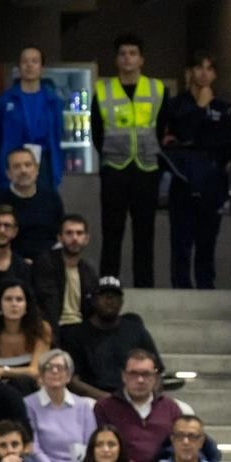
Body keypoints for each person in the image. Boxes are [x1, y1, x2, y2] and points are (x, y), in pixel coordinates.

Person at [94, 33, 168, 288]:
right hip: (115, 169)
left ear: (141, 59)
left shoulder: (157, 89)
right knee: (112, 232)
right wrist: (110, 153)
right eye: (123, 54)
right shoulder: (103, 90)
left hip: (146, 168)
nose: (128, 58)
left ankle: (145, 287)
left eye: (133, 53)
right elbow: (96, 131)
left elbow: (162, 129)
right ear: (116, 59)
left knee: (144, 233)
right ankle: (108, 287)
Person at [166, 51, 229, 289]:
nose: (204, 73)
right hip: (183, 178)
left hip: (212, 181)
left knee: (207, 239)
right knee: (181, 240)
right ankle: (180, 286)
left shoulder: (223, 108)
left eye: (209, 68)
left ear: (214, 74)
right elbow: (182, 134)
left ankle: (206, 285)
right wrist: (200, 108)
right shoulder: (176, 105)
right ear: (190, 72)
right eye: (199, 67)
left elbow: (222, 142)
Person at [91, 349, 182, 462]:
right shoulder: (105, 407)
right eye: (133, 374)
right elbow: (104, 448)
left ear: (155, 377)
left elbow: (178, 444)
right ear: (123, 376)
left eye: (146, 374)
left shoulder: (170, 407)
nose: (140, 380)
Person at [0, 46, 64, 192]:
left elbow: (57, 135)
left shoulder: (53, 100)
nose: (29, 65)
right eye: (25, 61)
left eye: (34, 61)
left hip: (43, 162)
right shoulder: (5, 101)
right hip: (14, 160)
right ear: (18, 67)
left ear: (42, 68)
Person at [26, 351, 99, 462]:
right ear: (41, 376)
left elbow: (91, 444)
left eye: (60, 368)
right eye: (49, 368)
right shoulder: (28, 404)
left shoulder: (83, 405)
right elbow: (33, 448)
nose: (54, 371)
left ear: (68, 376)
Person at [0, 148, 65, 261]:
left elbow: (61, 236)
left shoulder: (52, 199)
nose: (23, 170)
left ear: (37, 169)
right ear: (8, 173)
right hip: (10, 265)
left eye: (28, 165)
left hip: (49, 264)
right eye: (17, 166)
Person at [0, 279, 51, 390]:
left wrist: (2, 371)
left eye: (19, 299)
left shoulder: (41, 329)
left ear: (27, 306)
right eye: (8, 299)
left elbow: (35, 371)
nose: (14, 304)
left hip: (32, 388)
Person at [32, 215, 98, 336]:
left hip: (81, 329)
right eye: (69, 233)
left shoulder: (89, 272)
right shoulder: (45, 263)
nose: (74, 238)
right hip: (54, 328)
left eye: (79, 233)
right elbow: (46, 305)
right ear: (60, 238)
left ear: (86, 238)